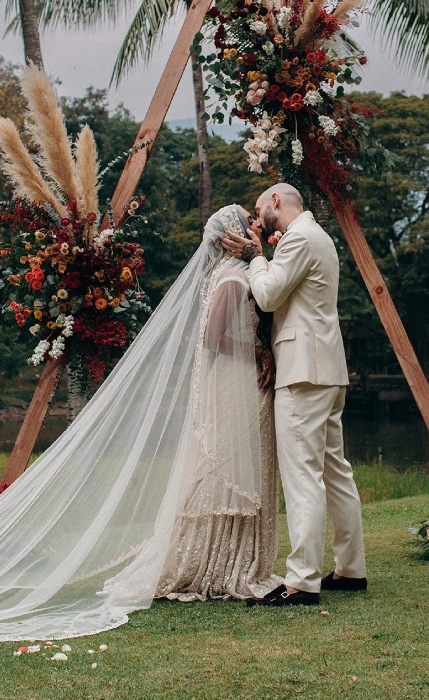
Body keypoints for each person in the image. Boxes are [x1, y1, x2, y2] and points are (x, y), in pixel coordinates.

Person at [0, 204, 281, 641]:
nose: (256, 223)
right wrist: (259, 352)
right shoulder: (230, 278)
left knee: (238, 464)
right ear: (235, 232)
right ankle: (213, 564)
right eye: (249, 219)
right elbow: (212, 338)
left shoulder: (234, 273)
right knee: (225, 467)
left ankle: (231, 558)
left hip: (241, 378)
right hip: (234, 378)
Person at [221, 184, 367, 606]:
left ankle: (303, 580)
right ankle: (351, 570)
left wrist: (255, 258)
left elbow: (267, 295)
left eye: (259, 207)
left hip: (304, 371)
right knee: (335, 471)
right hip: (325, 369)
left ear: (277, 203)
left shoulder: (300, 237)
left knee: (303, 476)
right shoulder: (315, 236)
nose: (257, 214)